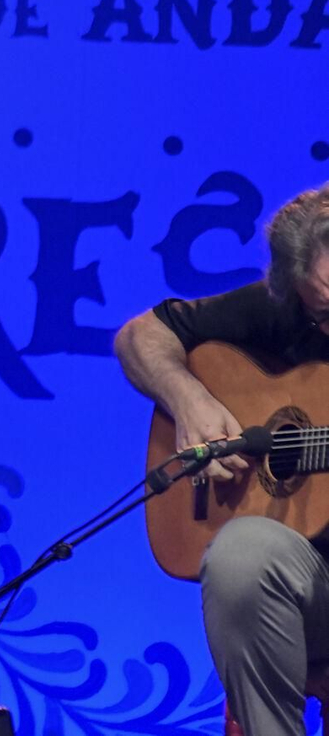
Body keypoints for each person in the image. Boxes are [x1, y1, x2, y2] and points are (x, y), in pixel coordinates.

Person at [116, 183, 329, 736]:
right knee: (240, 552)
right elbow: (141, 337)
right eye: (324, 310)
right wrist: (190, 401)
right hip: (313, 593)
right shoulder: (285, 314)